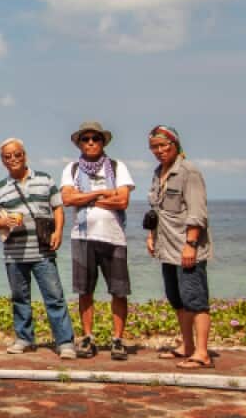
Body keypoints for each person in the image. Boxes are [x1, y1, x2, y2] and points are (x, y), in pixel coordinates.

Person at [0, 138, 78, 359]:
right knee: (20, 298)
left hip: (42, 249)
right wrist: (4, 222)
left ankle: (65, 342)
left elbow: (58, 208)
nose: (13, 159)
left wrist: (58, 232)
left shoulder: (45, 179)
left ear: (24, 155)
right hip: (14, 252)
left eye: (17, 154)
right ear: (3, 161)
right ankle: (24, 338)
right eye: (7, 156)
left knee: (54, 296)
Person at [60, 120, 134, 360]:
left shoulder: (117, 166)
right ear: (79, 143)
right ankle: (88, 337)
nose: (91, 142)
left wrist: (86, 198)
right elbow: (68, 199)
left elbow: (122, 200)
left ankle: (118, 340)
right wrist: (102, 193)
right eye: (86, 139)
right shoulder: (71, 169)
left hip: (114, 237)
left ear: (103, 142)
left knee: (119, 291)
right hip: (82, 236)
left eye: (96, 138)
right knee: (85, 291)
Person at [146, 125, 215, 369]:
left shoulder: (188, 172)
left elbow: (197, 212)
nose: (159, 151)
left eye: (164, 145)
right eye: (154, 146)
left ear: (175, 145)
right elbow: (157, 210)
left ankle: (202, 352)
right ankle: (186, 345)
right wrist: (152, 236)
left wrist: (191, 244)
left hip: (186, 247)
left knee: (195, 300)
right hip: (167, 247)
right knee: (177, 299)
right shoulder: (158, 173)